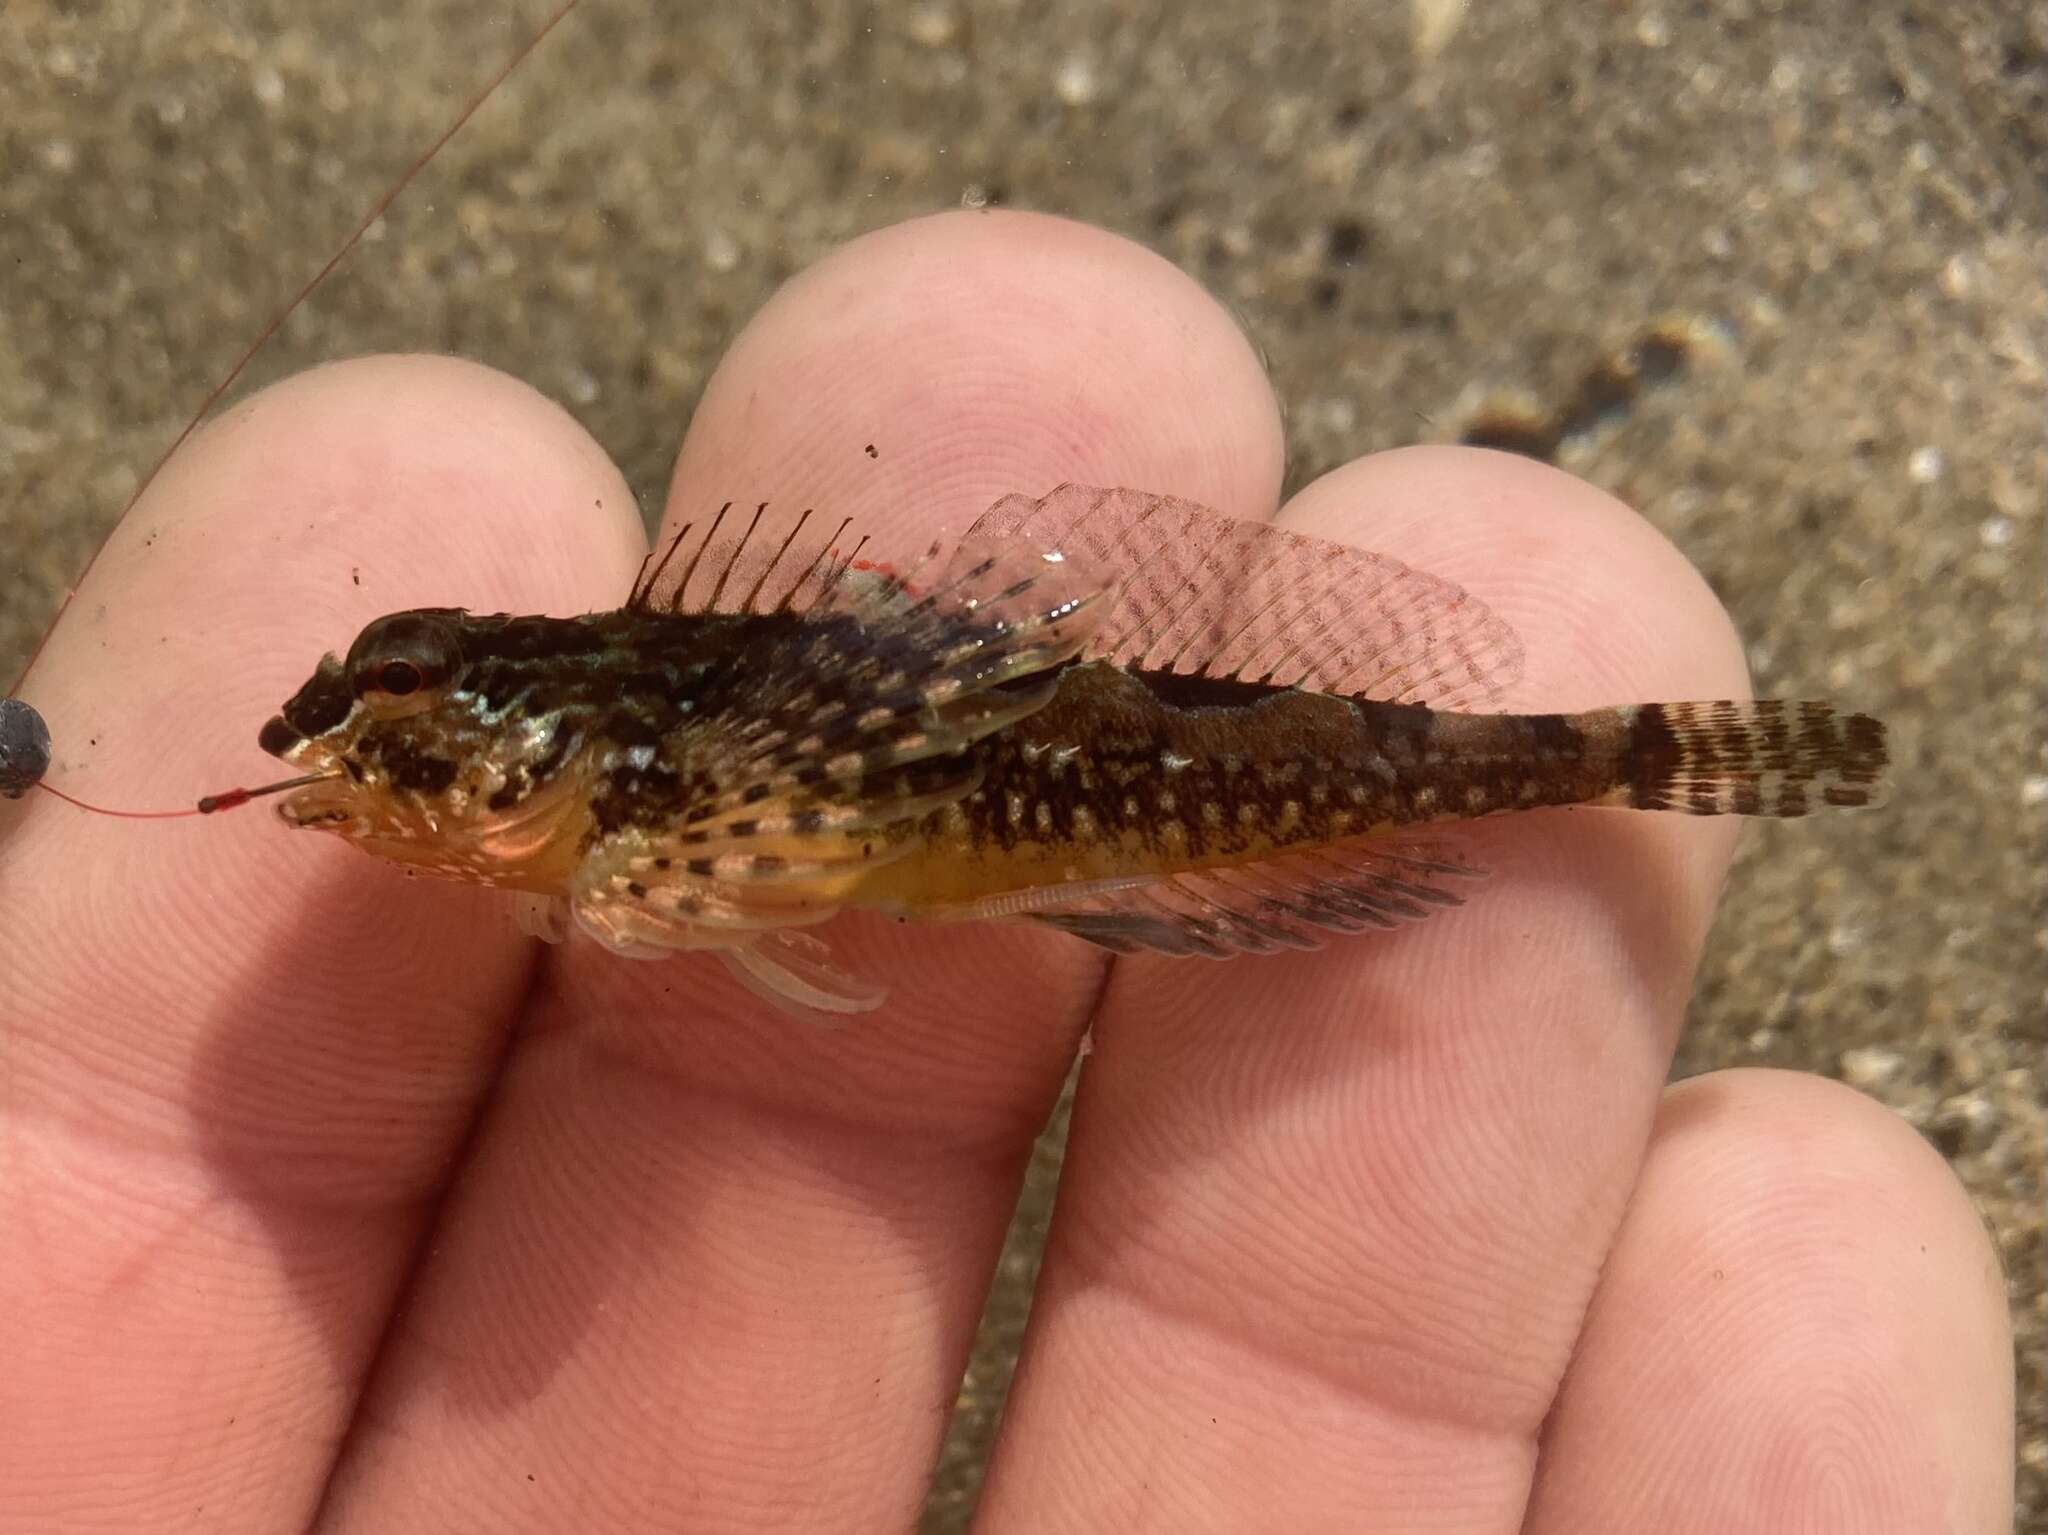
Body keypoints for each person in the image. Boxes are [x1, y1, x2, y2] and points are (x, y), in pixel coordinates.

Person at [0, 212, 2011, 1531]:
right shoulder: (616, 798)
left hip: (1074, 791)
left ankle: (1622, 761)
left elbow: (788, 831)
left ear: (547, 757)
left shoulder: (654, 816)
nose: (373, 791)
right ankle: (1625, 758)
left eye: (416, 758)